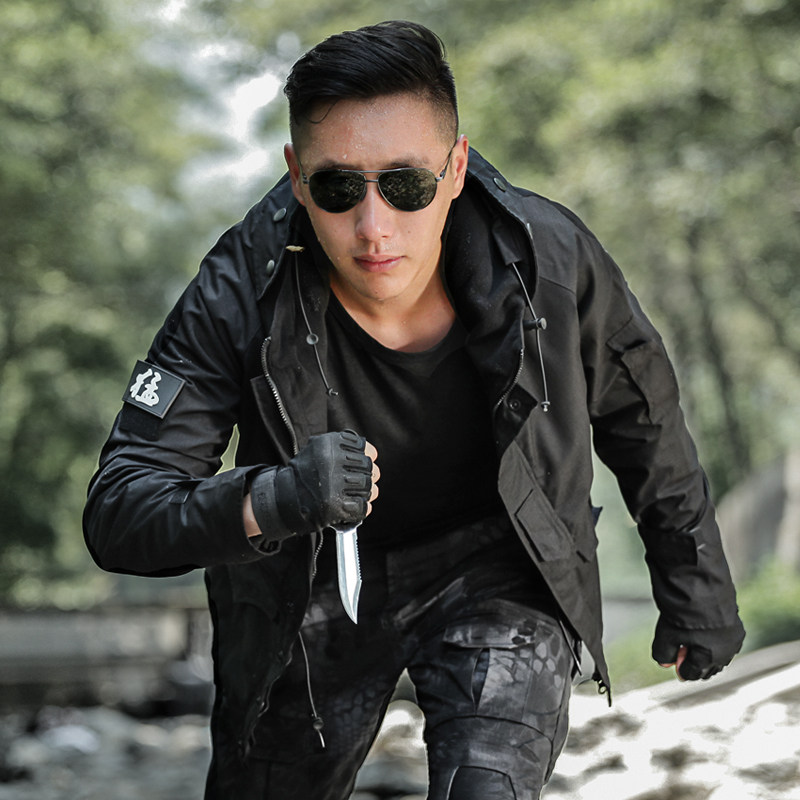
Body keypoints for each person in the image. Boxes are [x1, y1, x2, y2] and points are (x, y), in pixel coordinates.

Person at [83, 20, 745, 800]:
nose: (374, 227)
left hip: (498, 568)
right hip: (303, 585)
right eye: (338, 188)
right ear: (296, 177)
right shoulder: (235, 291)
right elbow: (120, 509)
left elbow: (643, 419)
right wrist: (272, 498)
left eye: (405, 185)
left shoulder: (550, 259)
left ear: (455, 168)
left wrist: (695, 585)